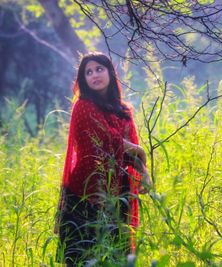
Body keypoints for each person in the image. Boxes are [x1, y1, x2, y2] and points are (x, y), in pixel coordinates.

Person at [55, 52, 151, 266]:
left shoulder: (123, 111)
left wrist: (144, 173)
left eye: (99, 69)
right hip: (85, 194)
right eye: (88, 72)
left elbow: (127, 155)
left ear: (110, 72)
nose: (94, 75)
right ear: (83, 79)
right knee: (84, 258)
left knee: (117, 257)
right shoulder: (84, 106)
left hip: (118, 194)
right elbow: (108, 140)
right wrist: (141, 151)